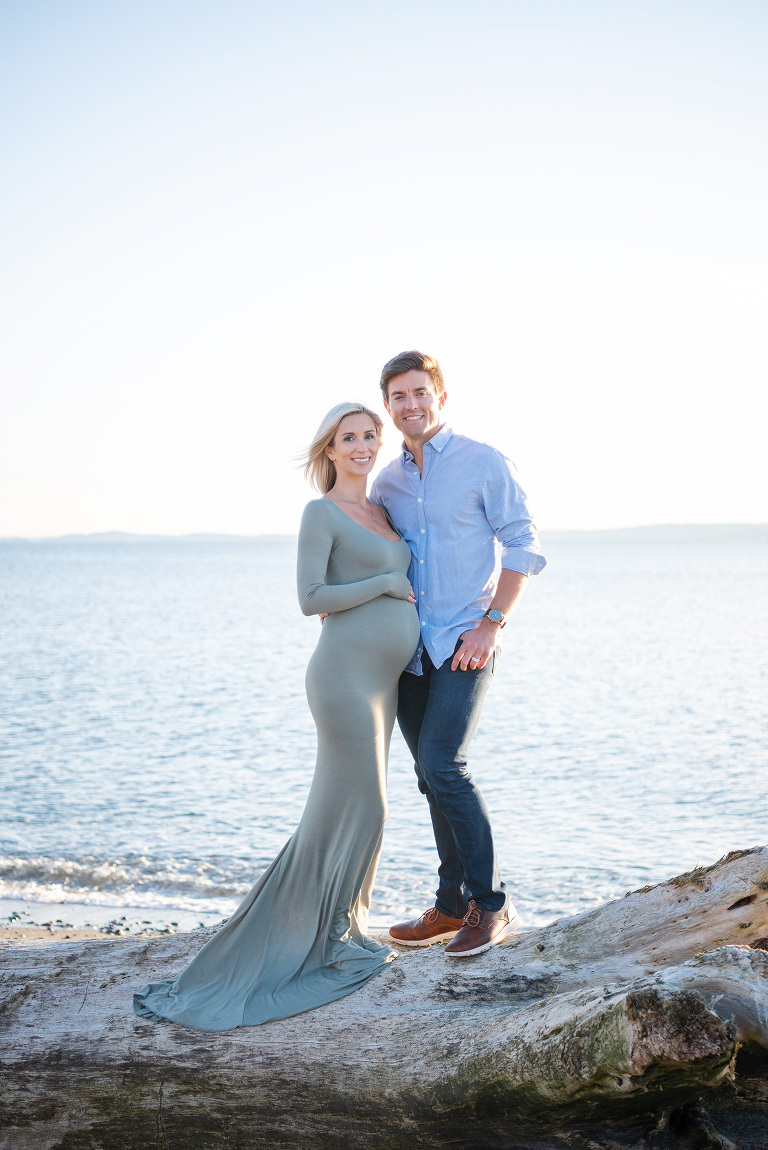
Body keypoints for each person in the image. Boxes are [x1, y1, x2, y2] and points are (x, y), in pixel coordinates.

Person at [133, 402, 420, 1031]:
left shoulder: (385, 511)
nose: (364, 445)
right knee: (359, 804)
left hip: (383, 682)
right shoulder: (321, 513)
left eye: (371, 435)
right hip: (343, 678)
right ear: (329, 449)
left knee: (369, 808)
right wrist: (383, 588)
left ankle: (344, 929)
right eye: (350, 437)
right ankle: (320, 941)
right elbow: (309, 598)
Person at [370, 351, 546, 958]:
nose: (410, 405)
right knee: (428, 777)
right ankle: (449, 906)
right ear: (388, 406)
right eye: (398, 397)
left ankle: (490, 905)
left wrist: (492, 624)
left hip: (468, 642)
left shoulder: (482, 461)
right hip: (409, 649)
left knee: (446, 765)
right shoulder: (387, 482)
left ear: (439, 397)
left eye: (420, 392)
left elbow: (523, 545)